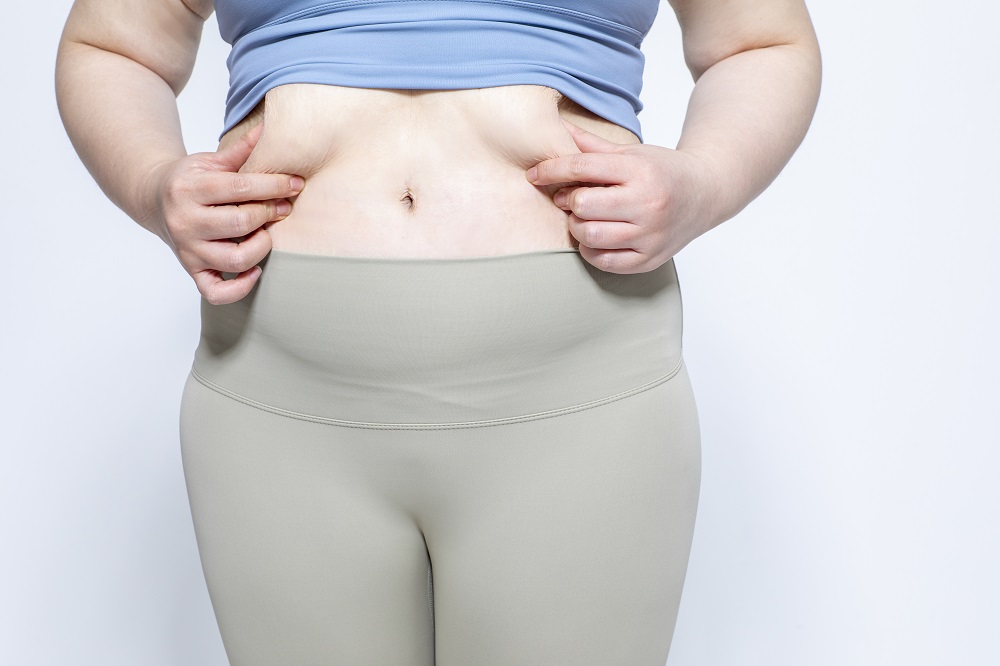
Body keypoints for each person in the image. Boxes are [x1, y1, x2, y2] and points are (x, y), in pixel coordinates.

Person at [55, 0, 821, 663]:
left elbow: (759, 39)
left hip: (578, 393)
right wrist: (153, 183)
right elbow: (115, 44)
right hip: (276, 396)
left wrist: (703, 181)